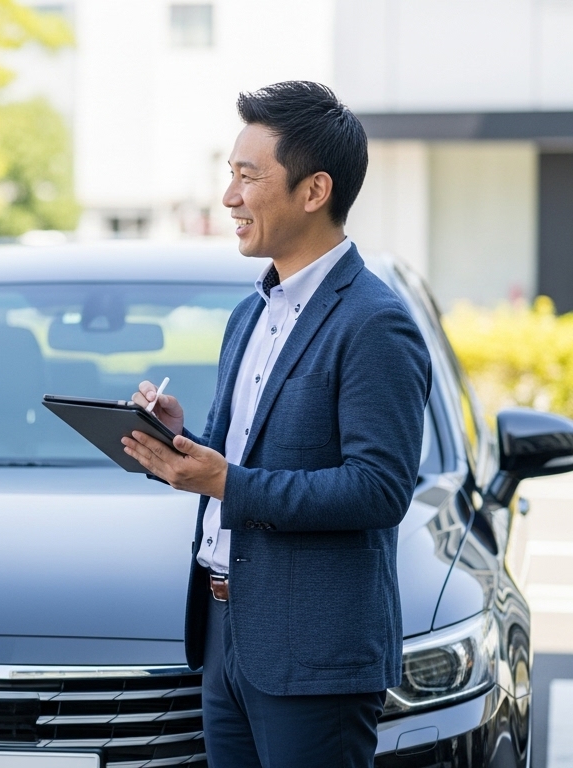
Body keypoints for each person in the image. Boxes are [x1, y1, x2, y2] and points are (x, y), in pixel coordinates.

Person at [122, 81, 431, 767]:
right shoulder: (250, 312)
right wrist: (181, 439)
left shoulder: (374, 322)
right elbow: (251, 457)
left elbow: (379, 489)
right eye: (228, 175)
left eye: (246, 177)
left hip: (315, 655)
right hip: (226, 633)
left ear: (314, 191)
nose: (229, 197)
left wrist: (229, 482)